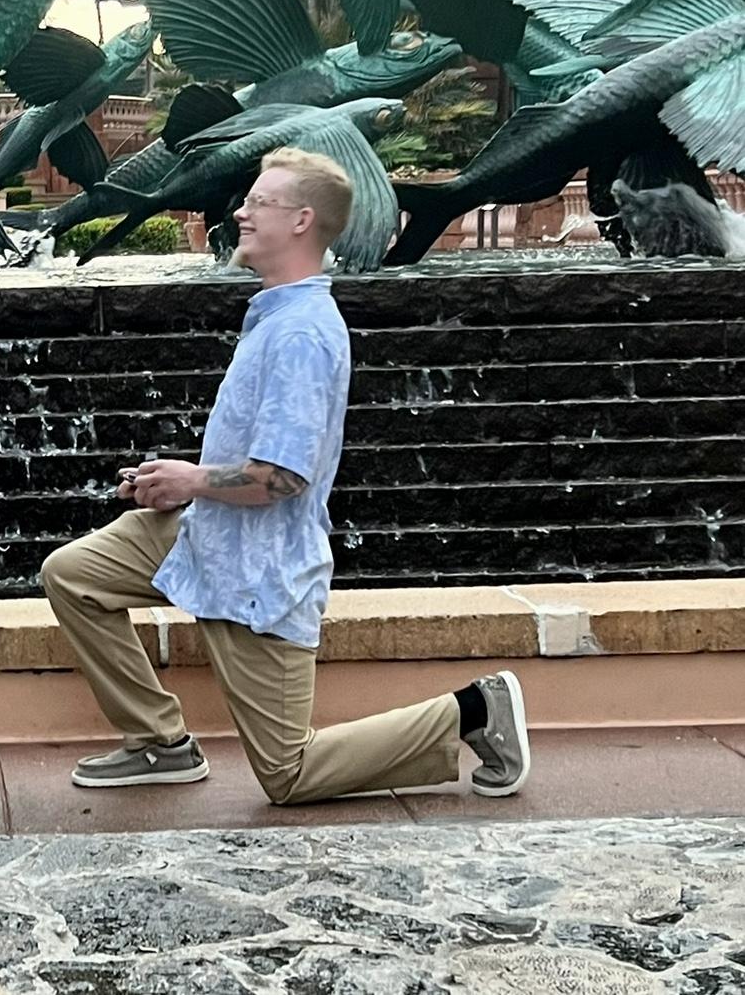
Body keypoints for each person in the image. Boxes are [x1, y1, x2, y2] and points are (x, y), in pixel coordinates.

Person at [41, 147, 531, 804]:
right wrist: (173, 483)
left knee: (288, 772)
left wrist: (190, 481)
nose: (241, 211)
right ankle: (161, 741)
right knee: (74, 574)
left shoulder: (301, 335)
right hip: (203, 530)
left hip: (259, 568)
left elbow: (282, 479)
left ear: (302, 221)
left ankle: (475, 711)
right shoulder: (276, 315)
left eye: (259, 202)